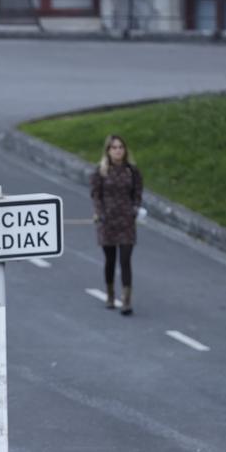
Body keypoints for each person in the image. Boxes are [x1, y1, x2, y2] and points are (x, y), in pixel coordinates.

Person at [90, 134, 143, 316]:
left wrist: (135, 209)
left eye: (121, 147)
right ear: (108, 150)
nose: (118, 150)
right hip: (107, 222)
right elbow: (96, 195)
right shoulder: (101, 171)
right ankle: (110, 294)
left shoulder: (132, 171)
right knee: (110, 260)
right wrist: (100, 213)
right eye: (114, 147)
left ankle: (126, 300)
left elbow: (137, 193)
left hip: (126, 221)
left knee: (125, 260)